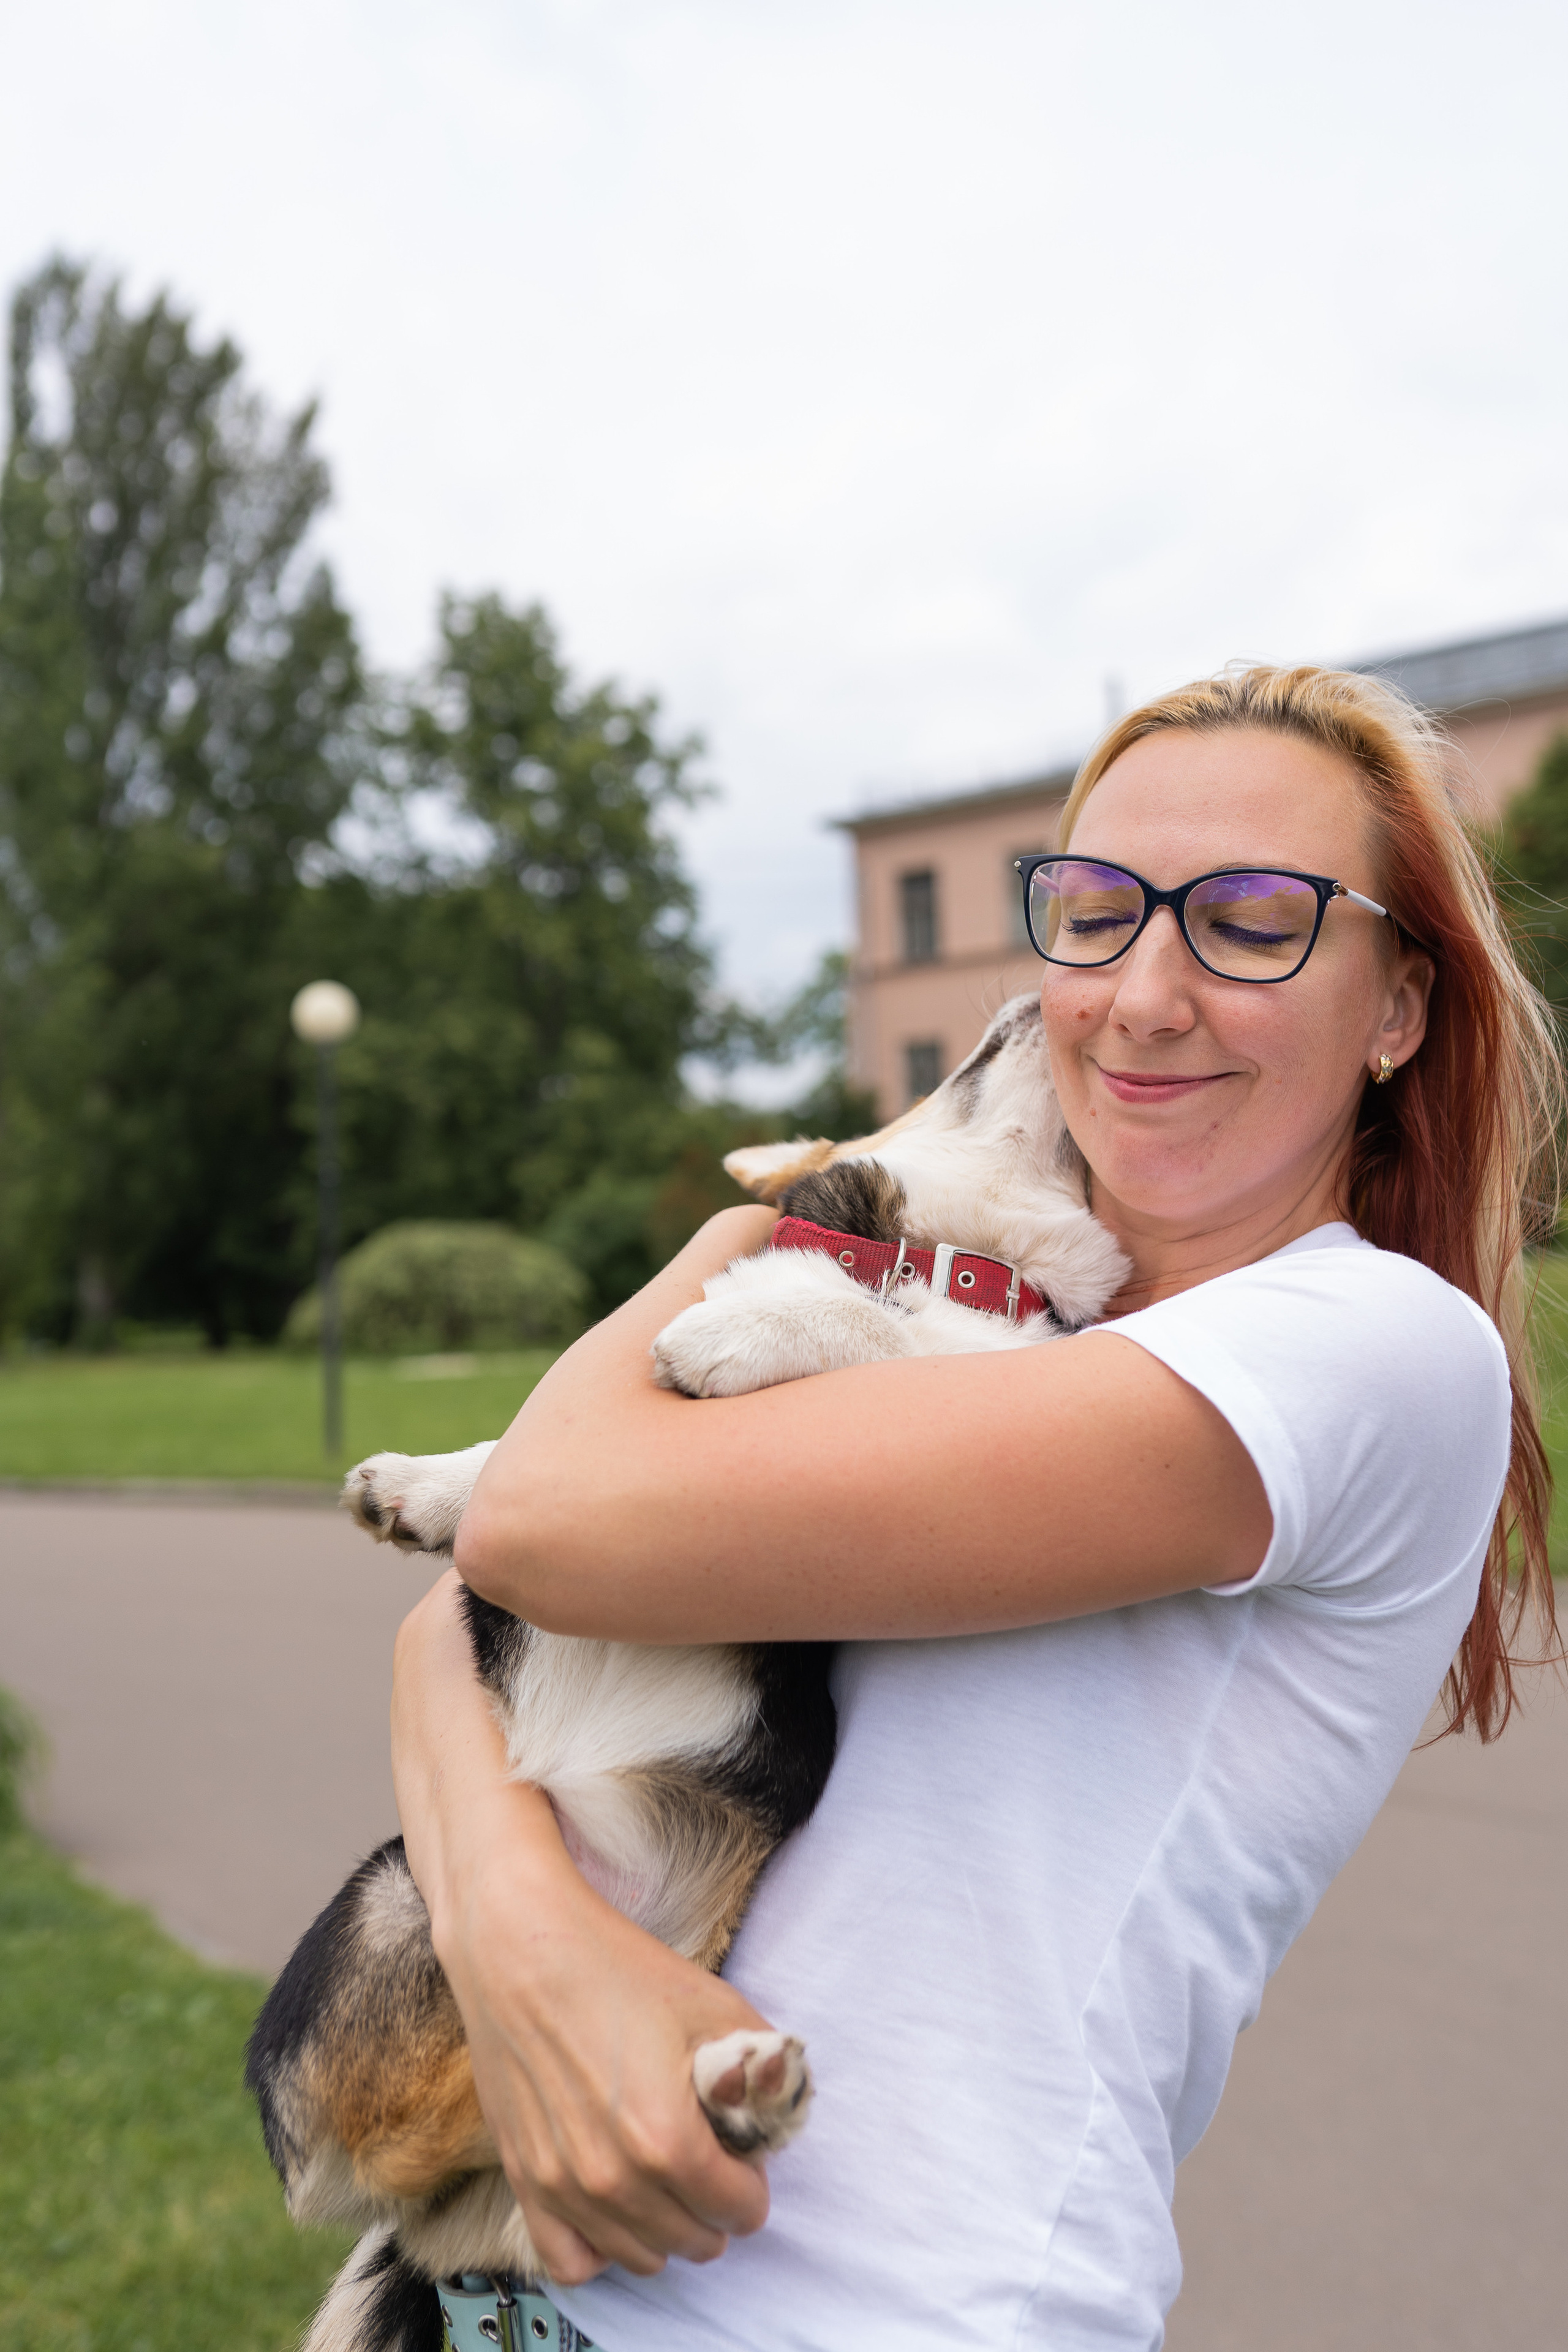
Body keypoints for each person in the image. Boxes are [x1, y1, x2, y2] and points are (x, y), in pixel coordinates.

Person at [390, 664, 1561, 2350]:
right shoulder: (1002, 1333)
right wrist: (526, 1956)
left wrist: (788, 1220)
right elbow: (460, 1623)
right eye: (1095, 914)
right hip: (532, 2290)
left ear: (1396, 1010)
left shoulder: (1364, 1351)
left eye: (1252, 921)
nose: (1146, 993)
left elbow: (544, 1520)